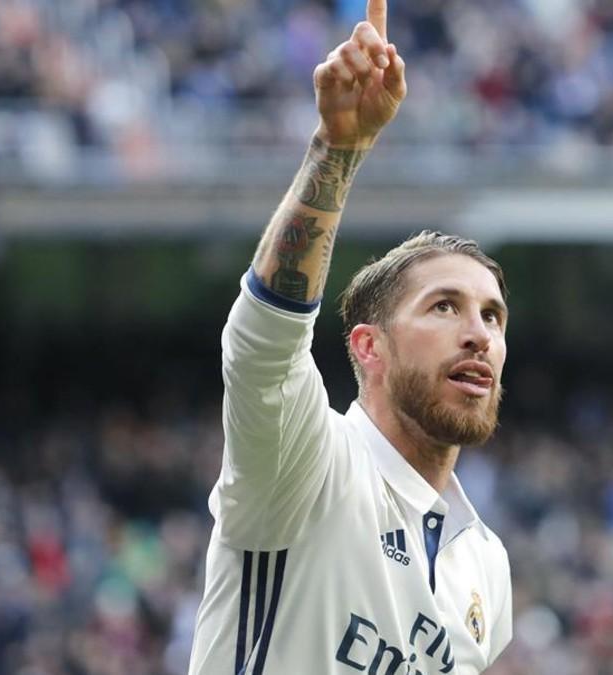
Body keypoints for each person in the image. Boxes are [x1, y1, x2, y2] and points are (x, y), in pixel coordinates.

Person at [188, 3, 512, 672]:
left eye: (492, 315)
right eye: (445, 307)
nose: (478, 334)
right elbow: (263, 342)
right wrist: (337, 149)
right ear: (369, 347)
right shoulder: (307, 463)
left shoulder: (485, 562)